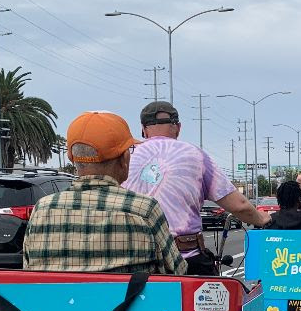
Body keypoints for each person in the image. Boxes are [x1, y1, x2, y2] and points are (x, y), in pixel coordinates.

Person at [23, 111, 186, 276]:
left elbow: (28, 271)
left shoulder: (41, 210)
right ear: (125, 159)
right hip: (130, 301)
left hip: (56, 301)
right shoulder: (144, 209)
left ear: (73, 159)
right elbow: (178, 271)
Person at [124, 101, 268, 275]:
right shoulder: (195, 155)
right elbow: (239, 206)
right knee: (216, 299)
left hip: (135, 262)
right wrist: (262, 219)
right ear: (178, 127)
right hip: (187, 258)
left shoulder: (125, 158)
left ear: (143, 129)